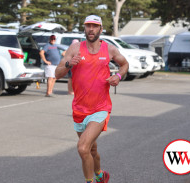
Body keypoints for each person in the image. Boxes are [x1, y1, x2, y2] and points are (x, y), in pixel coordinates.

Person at [55, 15, 129, 183]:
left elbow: (124, 64)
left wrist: (118, 75)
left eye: (95, 26)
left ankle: (90, 181)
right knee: (92, 149)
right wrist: (68, 64)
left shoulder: (109, 50)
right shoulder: (75, 49)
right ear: (84, 28)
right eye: (88, 26)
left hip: (100, 108)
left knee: (82, 148)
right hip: (79, 109)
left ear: (101, 29)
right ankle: (100, 175)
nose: (91, 29)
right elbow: (57, 73)